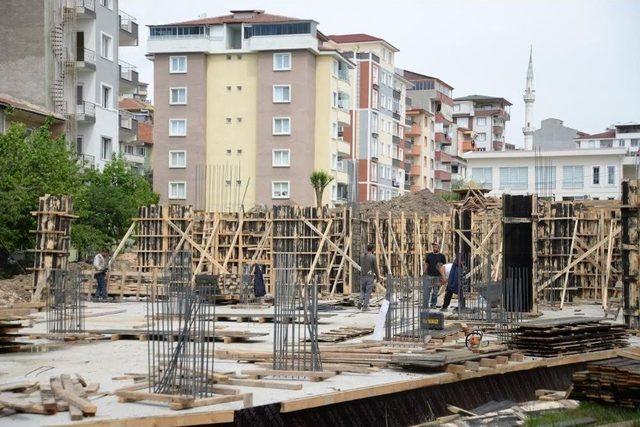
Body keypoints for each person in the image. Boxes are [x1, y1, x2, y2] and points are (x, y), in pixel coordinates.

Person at [423, 242, 446, 309]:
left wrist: (442, 277)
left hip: (437, 276)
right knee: (427, 291)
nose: (434, 248)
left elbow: (443, 267)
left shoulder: (442, 256)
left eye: (436, 246)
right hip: (429, 275)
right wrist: (424, 272)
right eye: (433, 247)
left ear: (438, 247)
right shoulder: (429, 255)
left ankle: (433, 305)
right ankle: (425, 305)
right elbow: (427, 264)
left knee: (435, 292)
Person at [360, 243, 380, 311]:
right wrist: (378, 278)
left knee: (362, 290)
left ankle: (360, 302)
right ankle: (365, 307)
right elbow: (376, 268)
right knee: (368, 292)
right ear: (372, 249)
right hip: (369, 276)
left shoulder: (361, 256)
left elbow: (360, 265)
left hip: (362, 275)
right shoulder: (373, 257)